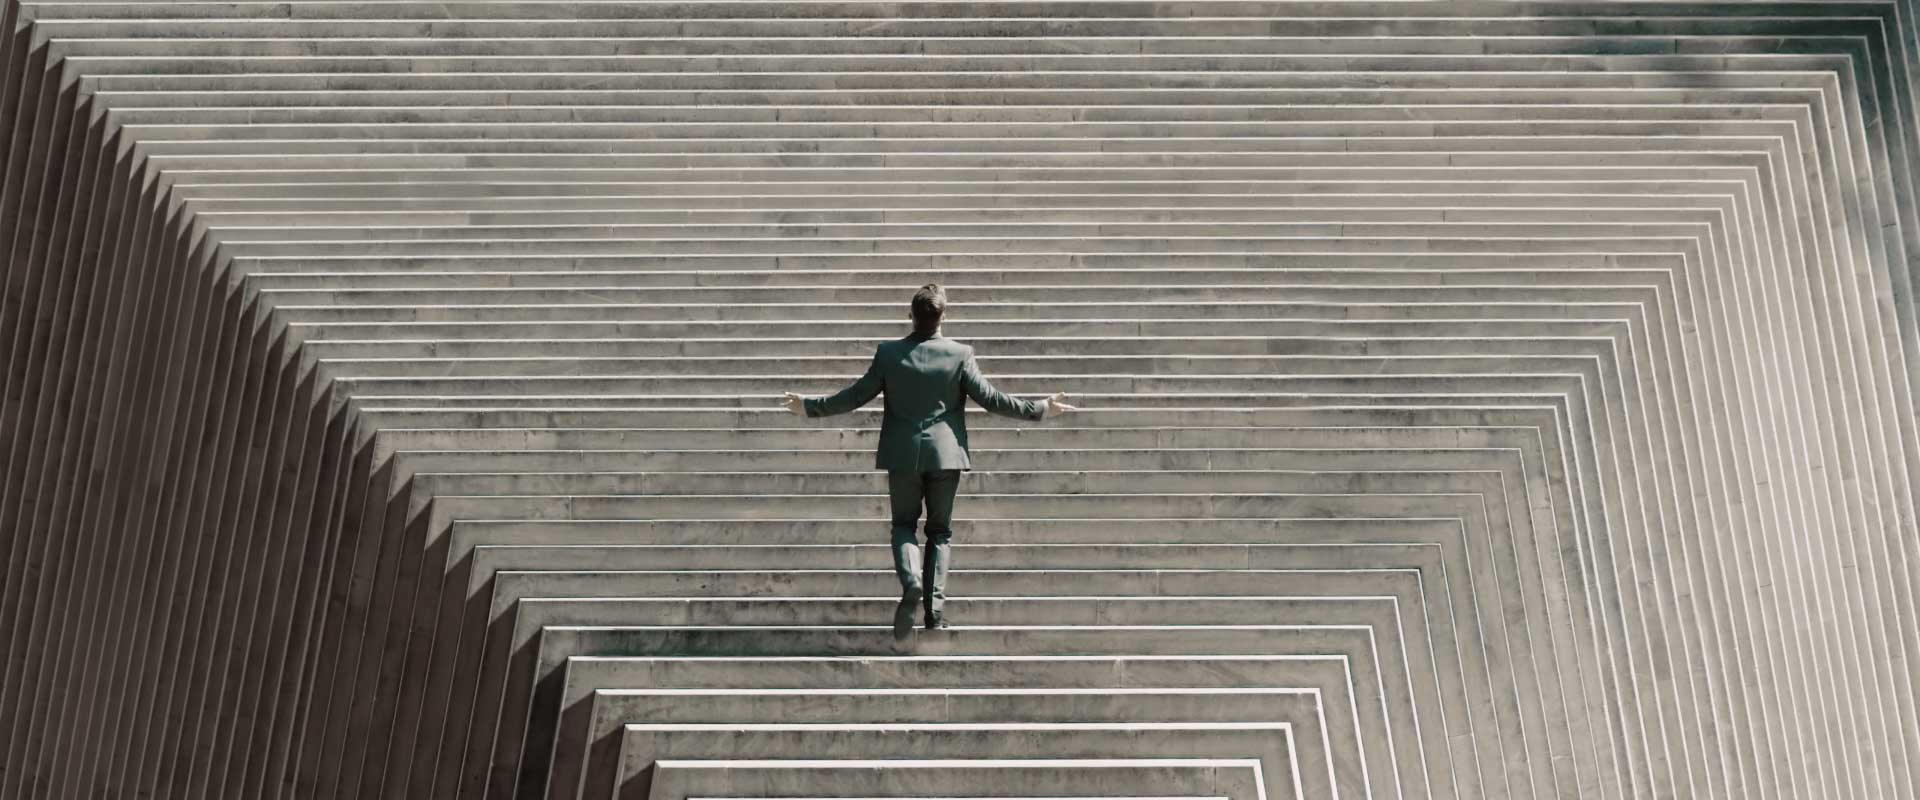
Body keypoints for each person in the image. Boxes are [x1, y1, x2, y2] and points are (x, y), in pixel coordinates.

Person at [782, 283, 1076, 637]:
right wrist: (1040, 409)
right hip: (946, 456)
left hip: (902, 454)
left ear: (911, 315)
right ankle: (935, 613)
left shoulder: (888, 354)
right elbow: (992, 399)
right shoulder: (960, 354)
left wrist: (810, 407)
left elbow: (855, 396)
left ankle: (911, 581)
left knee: (904, 526)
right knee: (939, 532)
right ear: (942, 316)